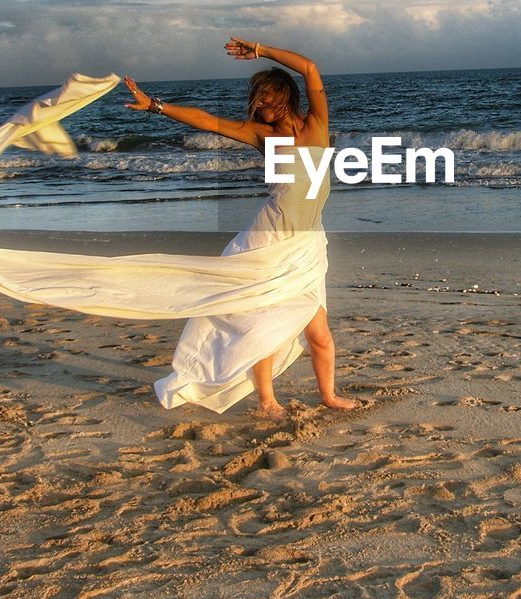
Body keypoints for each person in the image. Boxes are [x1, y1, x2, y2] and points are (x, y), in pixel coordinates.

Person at [123, 37, 358, 419]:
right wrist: (156, 106)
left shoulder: (317, 124)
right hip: (267, 242)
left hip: (308, 246)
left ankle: (329, 396)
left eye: (265, 98)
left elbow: (310, 68)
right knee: (262, 325)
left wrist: (261, 51)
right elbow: (207, 120)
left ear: (284, 96)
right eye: (256, 99)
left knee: (320, 333)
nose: (258, 105)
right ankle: (267, 402)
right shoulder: (261, 136)